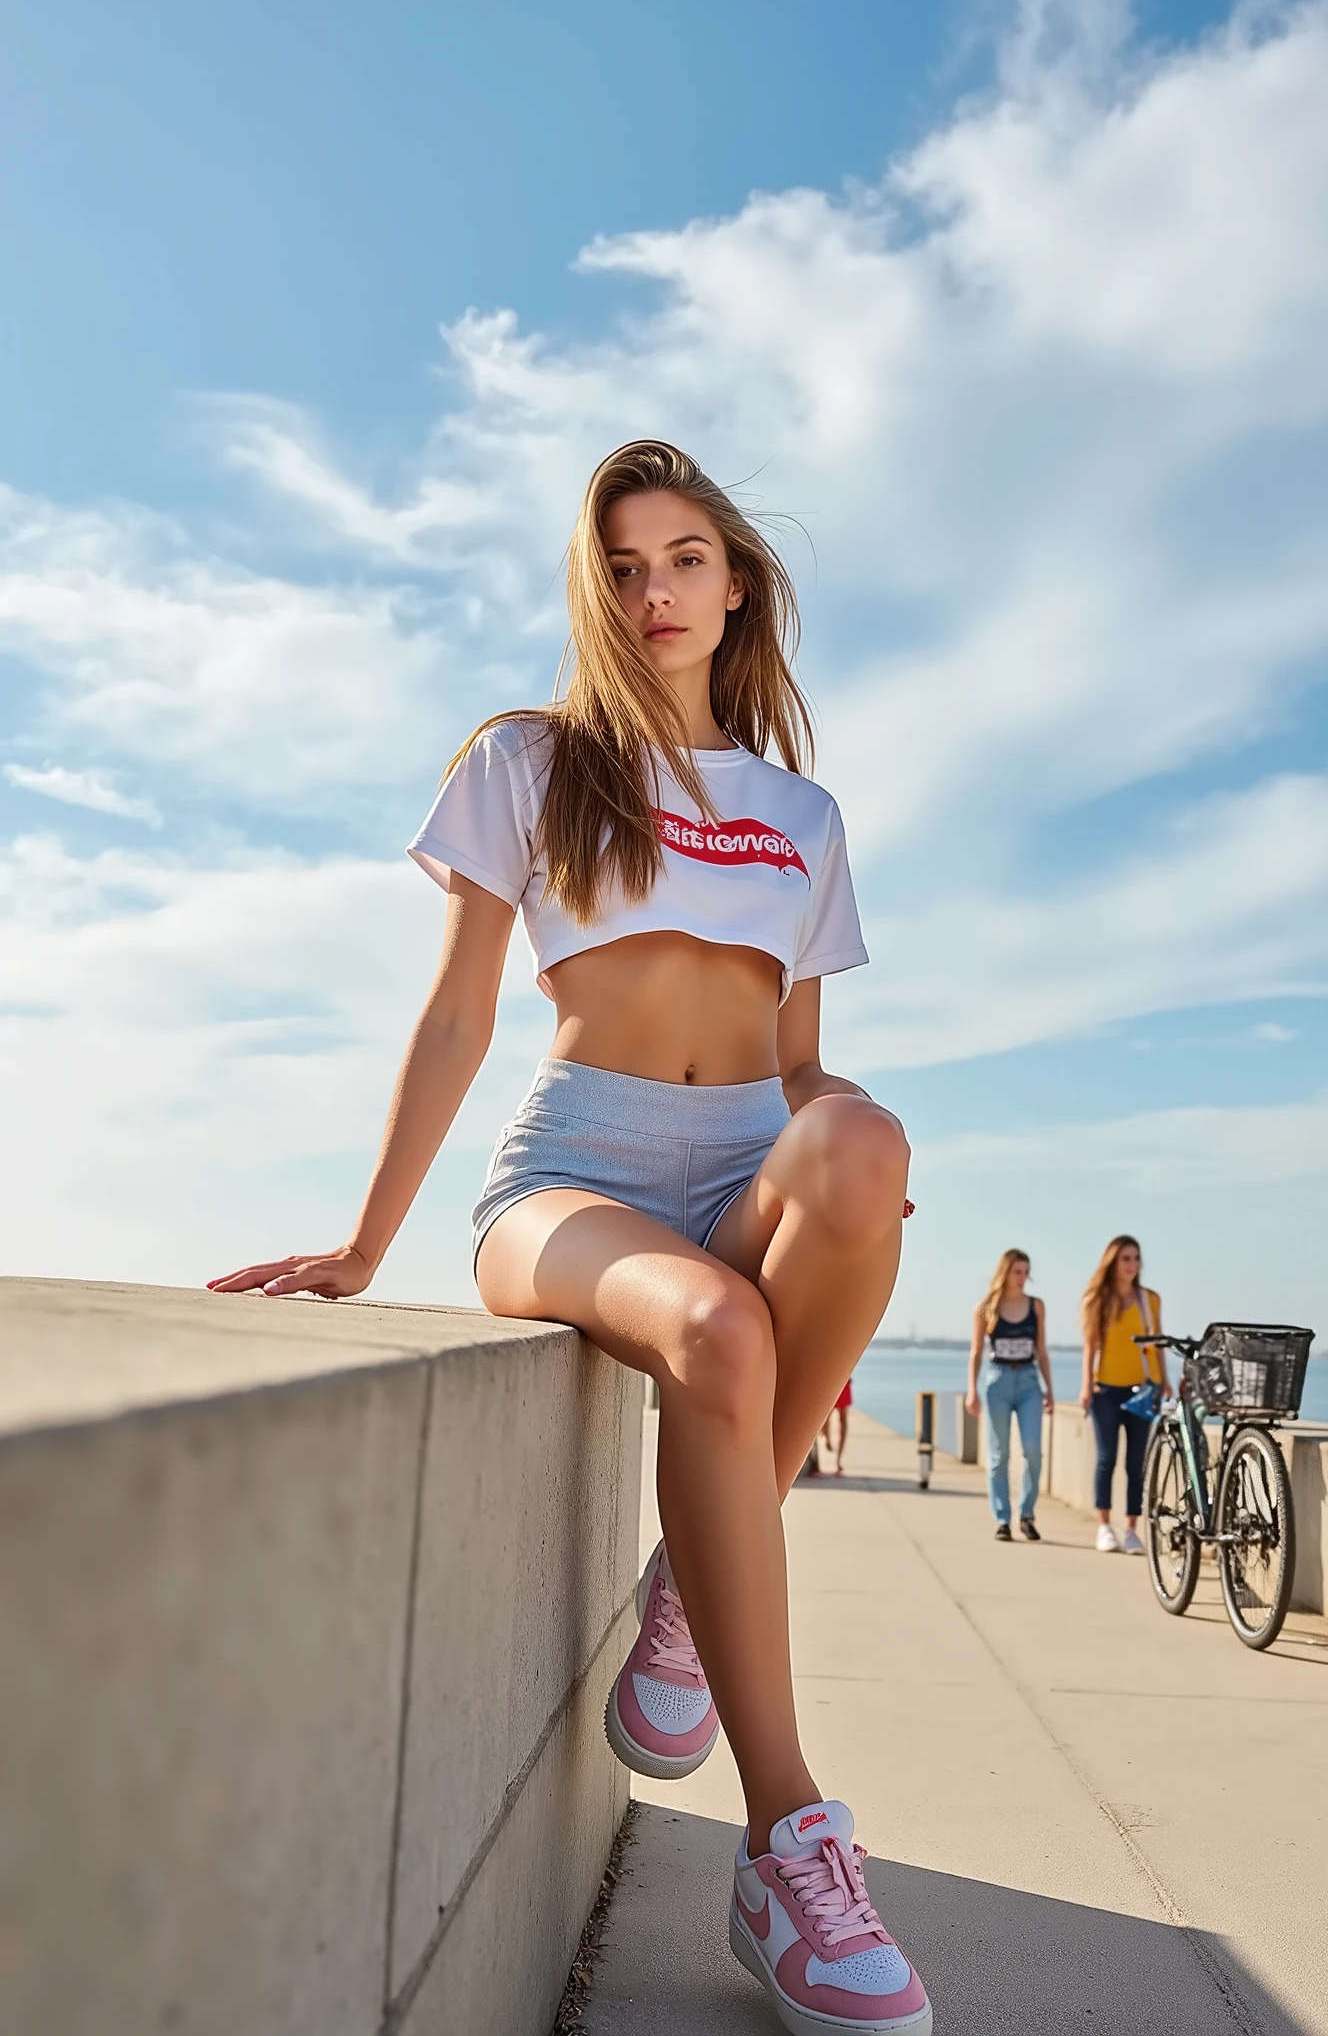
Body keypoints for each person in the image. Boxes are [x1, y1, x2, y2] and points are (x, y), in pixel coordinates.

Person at [208, 441, 931, 2036]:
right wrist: (364, 1238)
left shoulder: (801, 814)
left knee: (868, 1134)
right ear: (596, 594)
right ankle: (787, 1839)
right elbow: (463, 1008)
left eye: (682, 560)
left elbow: (800, 1062)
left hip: (750, 1156)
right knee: (719, 1335)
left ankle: (694, 1574)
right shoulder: (533, 760)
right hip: (575, 1173)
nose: (654, 592)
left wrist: (850, 1165)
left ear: (735, 583)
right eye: (621, 568)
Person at [1078, 1234, 1171, 1554]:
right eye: (1125, 1258)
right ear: (1112, 1262)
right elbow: (1090, 1344)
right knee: (1106, 1459)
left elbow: (1156, 1344)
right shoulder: (1097, 1299)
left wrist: (1165, 1381)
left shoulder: (1150, 1299)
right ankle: (1104, 1526)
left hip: (1143, 1389)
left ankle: (1131, 1528)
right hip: (1105, 1388)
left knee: (1136, 1462)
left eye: (1136, 1258)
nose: (1132, 1264)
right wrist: (1086, 1384)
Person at [965, 1249, 1053, 1541]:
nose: (1022, 1278)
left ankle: (1026, 1514)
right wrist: (972, 1391)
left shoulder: (1036, 1306)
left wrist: (1049, 1389)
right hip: (998, 1381)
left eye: (1026, 1271)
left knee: (1032, 1450)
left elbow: (1041, 1351)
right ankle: (1002, 1518)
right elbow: (976, 1352)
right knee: (998, 1454)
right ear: (1005, 1272)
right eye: (1017, 1271)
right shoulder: (986, 1307)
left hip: (1028, 1381)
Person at [823, 1376, 853, 1474]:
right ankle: (826, 1439)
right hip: (831, 1382)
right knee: (825, 1416)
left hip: (845, 1382)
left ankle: (838, 1460)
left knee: (843, 1422)